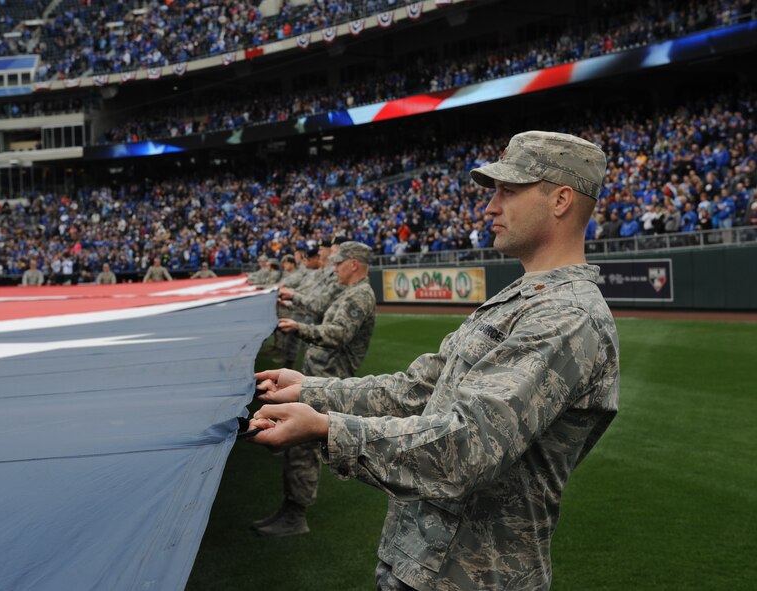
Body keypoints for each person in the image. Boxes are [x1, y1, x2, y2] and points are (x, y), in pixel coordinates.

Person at [249, 131, 620, 590]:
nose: (490, 206)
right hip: (421, 563)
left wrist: (327, 428)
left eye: (508, 191)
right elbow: (418, 390)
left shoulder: (566, 317)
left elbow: (469, 446)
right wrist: (309, 389)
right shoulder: (522, 298)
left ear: (561, 199)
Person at [252, 241, 377, 538]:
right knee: (297, 445)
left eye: (337, 263)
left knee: (301, 445)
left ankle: (295, 514)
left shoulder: (359, 296)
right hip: (320, 376)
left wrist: (300, 328)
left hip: (330, 380)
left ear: (353, 264)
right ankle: (292, 507)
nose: (332, 268)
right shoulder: (350, 293)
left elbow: (337, 335)